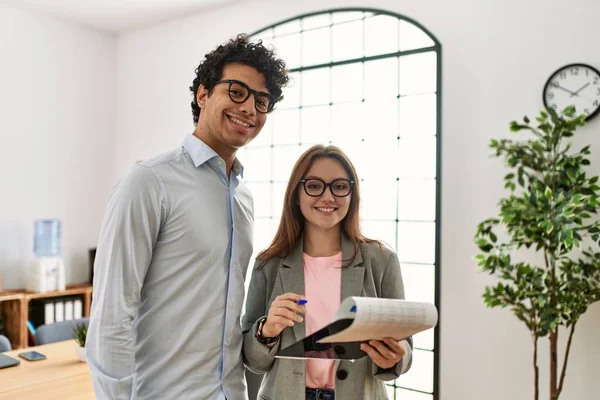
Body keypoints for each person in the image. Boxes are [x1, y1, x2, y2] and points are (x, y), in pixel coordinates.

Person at [86, 34, 289, 400]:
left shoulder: (243, 197)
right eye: (237, 92)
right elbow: (111, 319)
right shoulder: (149, 182)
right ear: (203, 94)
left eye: (262, 101)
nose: (250, 109)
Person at [242, 145, 413, 400]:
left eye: (340, 186)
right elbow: (253, 361)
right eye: (314, 186)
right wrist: (266, 331)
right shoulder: (268, 264)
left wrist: (395, 356)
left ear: (351, 195)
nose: (328, 197)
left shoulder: (381, 260)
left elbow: (404, 349)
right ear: (296, 195)